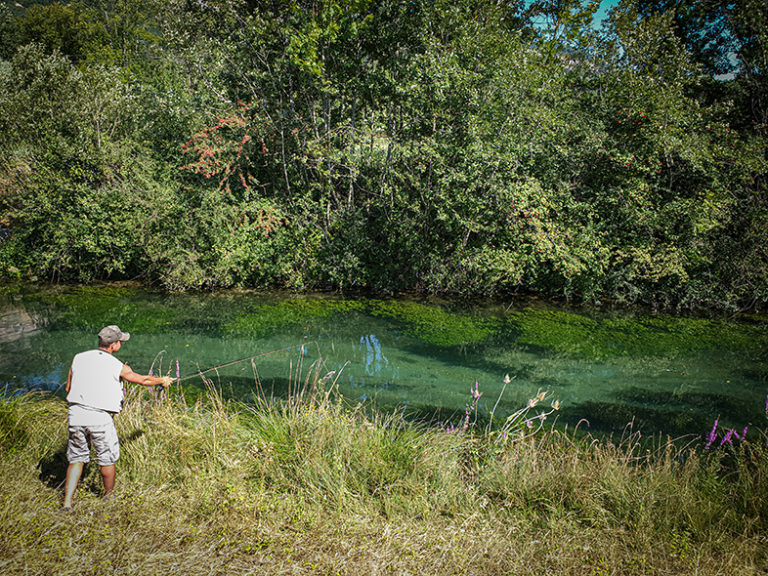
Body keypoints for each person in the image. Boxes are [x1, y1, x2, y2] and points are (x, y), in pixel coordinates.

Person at [62, 325, 173, 510]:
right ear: (113, 345)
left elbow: (68, 388)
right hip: (100, 417)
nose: (121, 343)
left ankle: (66, 503)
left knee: (76, 458)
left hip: (75, 414)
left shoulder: (78, 358)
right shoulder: (117, 365)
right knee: (107, 458)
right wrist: (162, 380)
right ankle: (109, 498)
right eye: (120, 341)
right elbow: (142, 380)